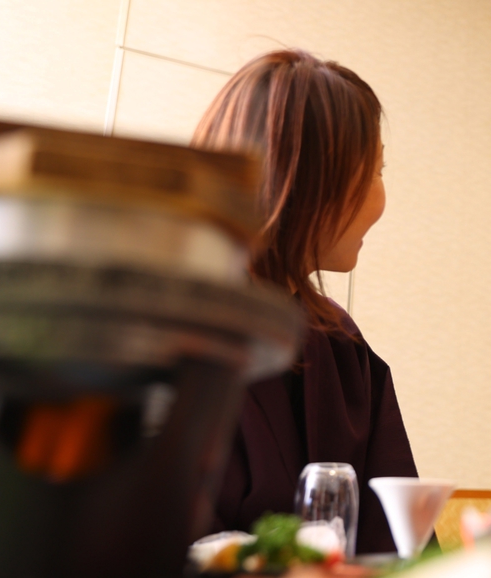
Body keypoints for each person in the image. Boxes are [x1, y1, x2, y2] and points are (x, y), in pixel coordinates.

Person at [192, 49, 418, 553]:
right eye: (375, 169)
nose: (382, 198)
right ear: (307, 180)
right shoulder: (163, 335)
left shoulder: (339, 344)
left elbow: (396, 547)